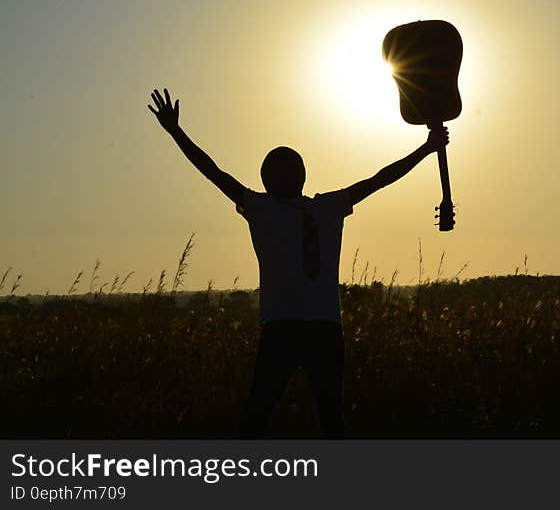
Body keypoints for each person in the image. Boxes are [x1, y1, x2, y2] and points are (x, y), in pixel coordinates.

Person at [147, 88, 449, 438]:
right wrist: (425, 150)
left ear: (267, 180)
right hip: (317, 330)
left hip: (289, 330)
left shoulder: (270, 208)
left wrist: (176, 132)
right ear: (301, 176)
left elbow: (213, 172)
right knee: (321, 420)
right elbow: (379, 179)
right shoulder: (322, 207)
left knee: (263, 419)